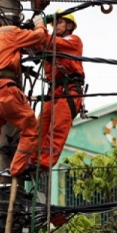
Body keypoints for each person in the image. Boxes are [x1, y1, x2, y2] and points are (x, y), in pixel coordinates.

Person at [0, 5, 47, 185]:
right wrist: (39, 23)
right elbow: (39, 37)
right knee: (30, 127)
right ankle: (17, 169)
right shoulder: (8, 32)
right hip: (7, 89)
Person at [32, 10, 85, 170]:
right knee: (38, 129)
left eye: (59, 22)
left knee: (57, 129)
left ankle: (43, 163)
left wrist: (40, 26)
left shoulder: (73, 41)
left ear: (69, 25)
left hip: (69, 90)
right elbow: (38, 43)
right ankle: (32, 160)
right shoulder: (51, 42)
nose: (55, 26)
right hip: (53, 93)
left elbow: (50, 42)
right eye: (53, 24)